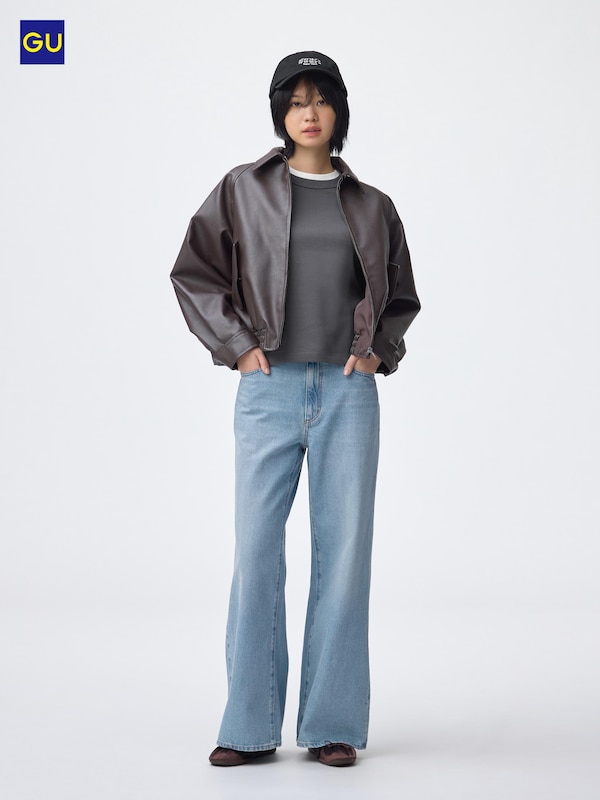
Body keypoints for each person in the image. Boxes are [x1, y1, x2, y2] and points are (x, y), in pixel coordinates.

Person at [170, 51, 420, 768]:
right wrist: (239, 348)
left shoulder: (373, 204)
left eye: (321, 99)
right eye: (295, 101)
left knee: (343, 558)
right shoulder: (241, 189)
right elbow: (194, 273)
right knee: (256, 553)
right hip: (268, 388)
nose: (309, 113)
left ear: (339, 111)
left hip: (347, 392)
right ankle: (247, 726)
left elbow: (401, 294)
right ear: (281, 113)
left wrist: (377, 354)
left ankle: (331, 724)